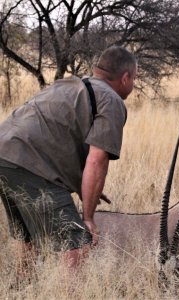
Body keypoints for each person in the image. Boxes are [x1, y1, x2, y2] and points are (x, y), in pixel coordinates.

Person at [0, 46, 137, 282]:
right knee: (77, 241)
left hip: (4, 154)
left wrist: (87, 187)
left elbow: (55, 132)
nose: (133, 84)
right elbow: (97, 160)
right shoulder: (111, 100)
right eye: (134, 78)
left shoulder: (70, 84)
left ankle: (21, 288)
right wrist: (88, 218)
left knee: (29, 237)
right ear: (125, 78)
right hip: (30, 163)